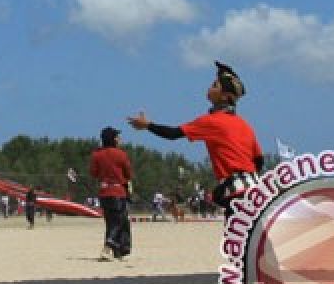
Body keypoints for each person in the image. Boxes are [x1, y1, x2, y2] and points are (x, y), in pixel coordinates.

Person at [127, 61, 263, 220]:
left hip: (236, 191)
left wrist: (147, 125)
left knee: (236, 240)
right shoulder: (244, 124)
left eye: (215, 85)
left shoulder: (211, 121)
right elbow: (259, 160)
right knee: (252, 237)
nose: (210, 87)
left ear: (225, 96)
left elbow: (173, 133)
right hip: (256, 189)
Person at [89, 127, 133, 260]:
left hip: (104, 193)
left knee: (110, 222)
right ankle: (108, 247)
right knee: (119, 221)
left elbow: (93, 173)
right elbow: (129, 173)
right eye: (118, 137)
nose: (120, 139)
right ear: (113, 139)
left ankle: (117, 251)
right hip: (118, 192)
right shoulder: (121, 154)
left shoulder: (96, 154)